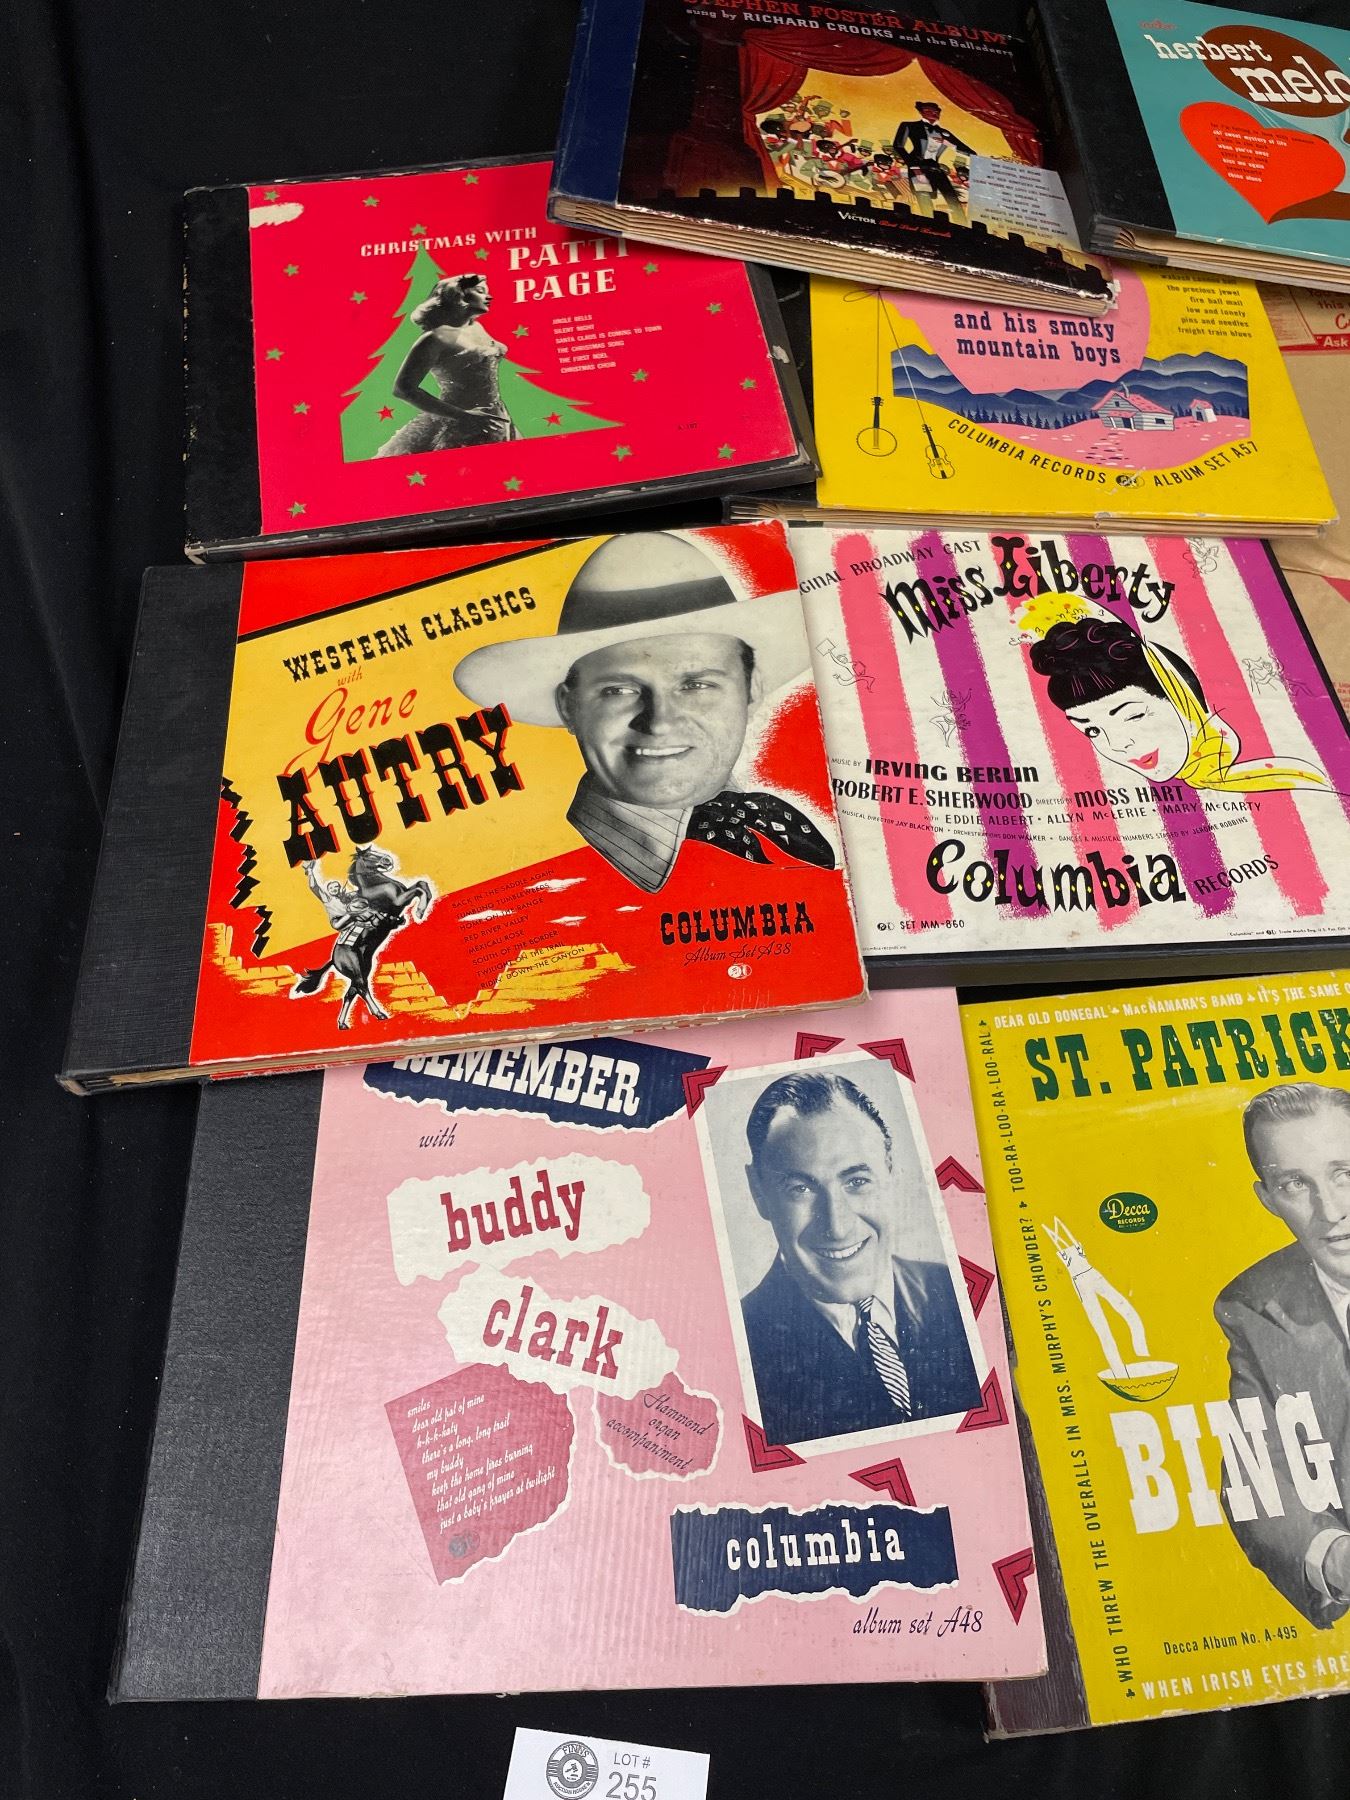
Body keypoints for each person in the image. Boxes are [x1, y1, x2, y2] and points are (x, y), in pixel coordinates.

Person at [453, 533, 837, 893]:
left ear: (751, 690)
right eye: (619, 690)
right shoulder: (515, 870)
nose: (660, 721)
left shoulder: (779, 825)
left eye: (697, 685)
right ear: (568, 707)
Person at [739, 1070, 982, 1446]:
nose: (837, 1227)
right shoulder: (740, 1349)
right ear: (758, 1192)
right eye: (800, 1188)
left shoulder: (961, 1292)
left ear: (890, 1170)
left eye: (856, 1181)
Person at [1214, 1083, 1350, 1627]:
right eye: (1296, 1184)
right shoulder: (1253, 1305)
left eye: (1345, 1173)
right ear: (1267, 1199)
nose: (1331, 1211)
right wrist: (1334, 1556)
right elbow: (1254, 1475)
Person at [1027, 611, 1329, 793]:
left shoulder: (1298, 782)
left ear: (1183, 698)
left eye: (1133, 716)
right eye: (1092, 731)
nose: (1117, 744)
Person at [375, 272, 518, 456]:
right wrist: (463, 416)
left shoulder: (475, 327)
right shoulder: (435, 338)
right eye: (480, 291)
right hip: (459, 421)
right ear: (457, 295)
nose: (489, 297)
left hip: (496, 416)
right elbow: (402, 389)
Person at [893, 101, 973, 216]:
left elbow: (969, 152)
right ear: (921, 112)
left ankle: (960, 223)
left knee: (953, 200)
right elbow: (898, 146)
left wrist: (946, 142)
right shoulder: (909, 126)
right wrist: (913, 166)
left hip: (936, 169)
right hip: (918, 168)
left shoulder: (944, 133)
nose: (934, 113)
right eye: (929, 111)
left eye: (936, 111)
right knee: (924, 200)